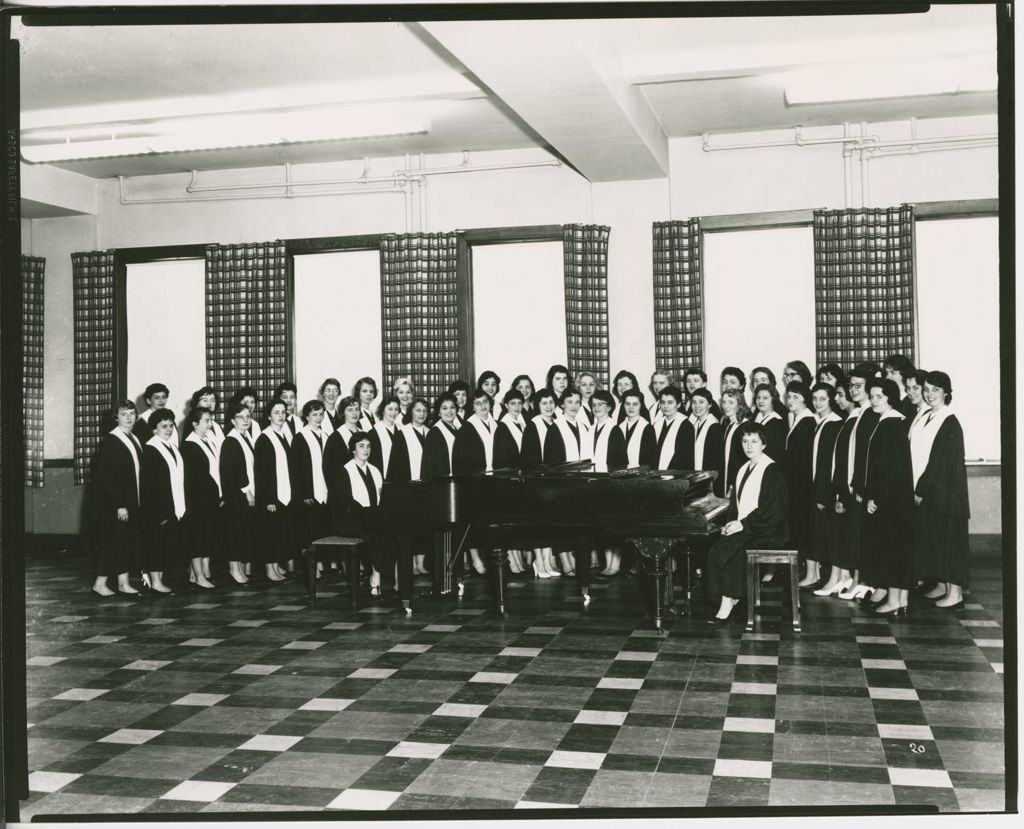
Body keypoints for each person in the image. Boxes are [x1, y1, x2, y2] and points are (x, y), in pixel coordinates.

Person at [705, 422, 788, 622]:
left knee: (731, 550)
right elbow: (736, 506)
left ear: (764, 444)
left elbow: (774, 510)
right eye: (744, 441)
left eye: (754, 441)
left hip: (769, 529)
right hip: (751, 526)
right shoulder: (743, 469)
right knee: (716, 550)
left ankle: (729, 599)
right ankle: (730, 598)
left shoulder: (771, 470)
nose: (749, 446)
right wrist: (730, 523)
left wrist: (743, 525)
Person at [328, 431, 413, 613]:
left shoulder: (374, 470)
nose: (365, 450)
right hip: (349, 520)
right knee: (377, 534)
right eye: (361, 446)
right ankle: (382, 578)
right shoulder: (345, 471)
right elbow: (341, 501)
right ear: (353, 449)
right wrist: (365, 514)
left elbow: (382, 498)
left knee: (388, 532)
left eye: (368, 446)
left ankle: (378, 576)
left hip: (370, 519)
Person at [912, 371, 970, 610]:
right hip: (929, 493)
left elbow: (939, 462)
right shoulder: (926, 415)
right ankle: (941, 585)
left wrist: (922, 488)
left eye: (935, 390)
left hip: (945, 496)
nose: (929, 394)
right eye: (926, 389)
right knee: (934, 542)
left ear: (946, 392)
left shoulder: (949, 420)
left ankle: (954, 593)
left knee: (948, 543)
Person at [858, 377, 914, 617]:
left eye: (879, 396)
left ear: (890, 396)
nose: (873, 401)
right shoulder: (893, 422)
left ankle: (893, 601)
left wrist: (874, 497)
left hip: (889, 501)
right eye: (871, 396)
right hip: (898, 500)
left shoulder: (889, 424)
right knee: (898, 548)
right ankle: (900, 601)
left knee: (891, 549)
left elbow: (885, 470)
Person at [91, 400, 145, 598]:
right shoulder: (113, 441)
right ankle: (100, 583)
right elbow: (110, 478)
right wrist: (119, 505)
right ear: (116, 417)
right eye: (124, 414)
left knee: (125, 541)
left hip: (131, 500)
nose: (129, 417)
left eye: (132, 413)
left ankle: (123, 583)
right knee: (112, 542)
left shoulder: (132, 437)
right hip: (116, 504)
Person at [843, 363, 883, 600]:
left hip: (864, 487)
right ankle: (859, 580)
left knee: (866, 537)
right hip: (855, 485)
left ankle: (866, 582)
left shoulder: (871, 413)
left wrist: (861, 485)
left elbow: (867, 456)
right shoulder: (859, 412)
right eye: (851, 385)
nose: (853, 389)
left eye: (858, 385)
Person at [139, 409, 184, 594]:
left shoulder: (170, 446)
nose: (168, 429)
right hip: (157, 508)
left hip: (172, 505)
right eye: (163, 426)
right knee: (155, 544)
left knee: (164, 544)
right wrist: (161, 512)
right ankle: (155, 582)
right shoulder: (150, 449)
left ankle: (158, 580)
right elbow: (150, 485)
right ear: (154, 429)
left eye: (171, 425)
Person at [387, 397, 434, 576]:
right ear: (410, 412)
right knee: (411, 528)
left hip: (426, 489)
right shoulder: (403, 433)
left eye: (424, 411)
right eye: (417, 410)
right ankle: (411, 564)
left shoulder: (430, 432)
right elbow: (396, 463)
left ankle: (420, 563)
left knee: (424, 527)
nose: (421, 414)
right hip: (409, 488)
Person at [805, 383, 843, 596]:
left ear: (831, 400)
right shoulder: (819, 423)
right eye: (815, 399)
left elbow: (830, 464)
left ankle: (835, 579)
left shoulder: (835, 424)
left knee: (830, 537)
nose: (818, 403)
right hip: (816, 489)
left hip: (826, 492)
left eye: (822, 399)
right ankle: (819, 576)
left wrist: (823, 494)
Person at [253, 398, 296, 582]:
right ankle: (269, 570)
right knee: (269, 534)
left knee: (278, 533)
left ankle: (275, 568)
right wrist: (268, 498)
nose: (281, 416)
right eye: (276, 412)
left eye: (283, 412)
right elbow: (262, 472)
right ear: (269, 416)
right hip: (271, 496)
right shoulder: (265, 437)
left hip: (283, 494)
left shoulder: (285, 435)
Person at [181, 406, 221, 590]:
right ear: (195, 423)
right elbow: (193, 479)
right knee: (197, 539)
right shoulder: (190, 445)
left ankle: (196, 574)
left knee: (206, 537)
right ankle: (198, 576)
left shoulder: (207, 441)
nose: (210, 424)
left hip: (209, 499)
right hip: (197, 500)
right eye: (206, 421)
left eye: (210, 420)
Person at [290, 399, 331, 576]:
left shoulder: (326, 436)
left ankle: (319, 565)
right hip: (308, 494)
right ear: (307, 416)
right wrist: (303, 493)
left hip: (324, 492)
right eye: (314, 414)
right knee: (307, 532)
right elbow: (296, 469)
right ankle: (310, 569)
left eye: (321, 414)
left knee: (320, 530)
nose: (318, 417)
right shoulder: (300, 438)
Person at [219, 402, 257, 585]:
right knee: (235, 533)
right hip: (236, 494)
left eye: (248, 416)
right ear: (233, 421)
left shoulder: (245, 437)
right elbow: (235, 470)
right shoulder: (231, 440)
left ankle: (239, 569)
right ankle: (234, 570)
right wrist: (247, 492)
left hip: (244, 493)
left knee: (242, 533)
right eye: (241, 417)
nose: (245, 420)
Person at [783, 381, 817, 587]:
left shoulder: (806, 422)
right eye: (789, 397)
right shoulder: (797, 420)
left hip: (802, 487)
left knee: (804, 530)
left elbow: (802, 461)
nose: (791, 401)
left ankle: (812, 574)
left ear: (805, 399)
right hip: (796, 486)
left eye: (796, 397)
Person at [322, 395, 364, 488]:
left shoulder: (364, 434)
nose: (354, 413)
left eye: (357, 409)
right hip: (344, 487)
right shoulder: (335, 438)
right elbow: (329, 470)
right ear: (343, 413)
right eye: (349, 410)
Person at [608, 388, 657, 467]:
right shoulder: (619, 427)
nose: (631, 408)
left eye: (635, 404)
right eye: (627, 404)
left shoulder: (647, 428)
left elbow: (651, 460)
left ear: (641, 405)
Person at [545, 387, 592, 464]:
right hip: (563, 473)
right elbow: (550, 460)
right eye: (570, 402)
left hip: (584, 472)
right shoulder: (554, 428)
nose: (574, 406)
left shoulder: (584, 427)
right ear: (562, 404)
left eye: (577, 402)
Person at [652, 385, 694, 471]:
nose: (665, 406)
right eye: (663, 402)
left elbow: (684, 458)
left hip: (676, 477)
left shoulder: (686, 425)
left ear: (678, 404)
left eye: (670, 402)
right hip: (657, 476)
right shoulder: (657, 424)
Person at [717, 388, 749, 498]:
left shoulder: (744, 427)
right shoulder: (728, 425)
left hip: (737, 483)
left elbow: (742, 461)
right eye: (724, 402)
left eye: (731, 402)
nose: (726, 406)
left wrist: (732, 486)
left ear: (739, 405)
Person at [422, 392, 461, 479]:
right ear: (439, 413)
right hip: (443, 484)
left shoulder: (459, 430)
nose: (449, 411)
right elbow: (433, 468)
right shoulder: (434, 433)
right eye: (444, 408)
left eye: (452, 407)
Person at [687, 388, 722, 481]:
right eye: (694, 402)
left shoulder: (714, 426)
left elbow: (715, 459)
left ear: (710, 404)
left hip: (708, 479)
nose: (697, 406)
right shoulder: (695, 424)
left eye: (701, 402)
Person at [133, 382, 178, 447]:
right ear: (148, 401)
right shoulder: (141, 421)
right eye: (157, 398)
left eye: (164, 397)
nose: (161, 401)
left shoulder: (169, 418)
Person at [368, 395, 402, 479]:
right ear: (383, 410)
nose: (393, 413)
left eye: (396, 409)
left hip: (400, 477)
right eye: (390, 409)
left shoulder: (402, 430)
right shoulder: (373, 433)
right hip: (382, 478)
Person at [752, 383, 786, 462]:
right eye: (758, 398)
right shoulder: (759, 419)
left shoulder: (777, 422)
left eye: (765, 398)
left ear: (773, 399)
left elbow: (775, 453)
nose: (760, 401)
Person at [494, 389, 527, 469]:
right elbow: (502, 459)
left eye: (519, 403)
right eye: (513, 403)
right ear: (506, 405)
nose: (517, 407)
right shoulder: (502, 427)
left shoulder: (523, 423)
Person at [883, 353, 919, 419]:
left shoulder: (912, 399)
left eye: (893, 373)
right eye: (886, 373)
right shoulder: (889, 396)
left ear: (904, 373)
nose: (887, 377)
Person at [902, 368, 929, 433]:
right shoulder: (909, 409)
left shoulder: (930, 411)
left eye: (915, 388)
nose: (910, 392)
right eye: (908, 388)